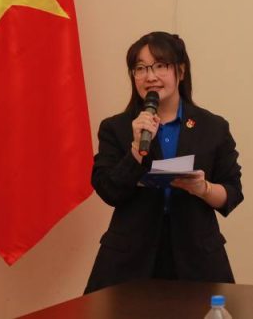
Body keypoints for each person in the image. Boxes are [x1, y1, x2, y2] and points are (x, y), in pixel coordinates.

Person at [85, 32, 243, 293]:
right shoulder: (117, 127)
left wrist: (203, 188)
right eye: (140, 68)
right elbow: (109, 190)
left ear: (180, 71)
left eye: (160, 65)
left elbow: (232, 193)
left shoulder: (212, 126)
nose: (150, 76)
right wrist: (136, 149)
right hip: (129, 260)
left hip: (197, 259)